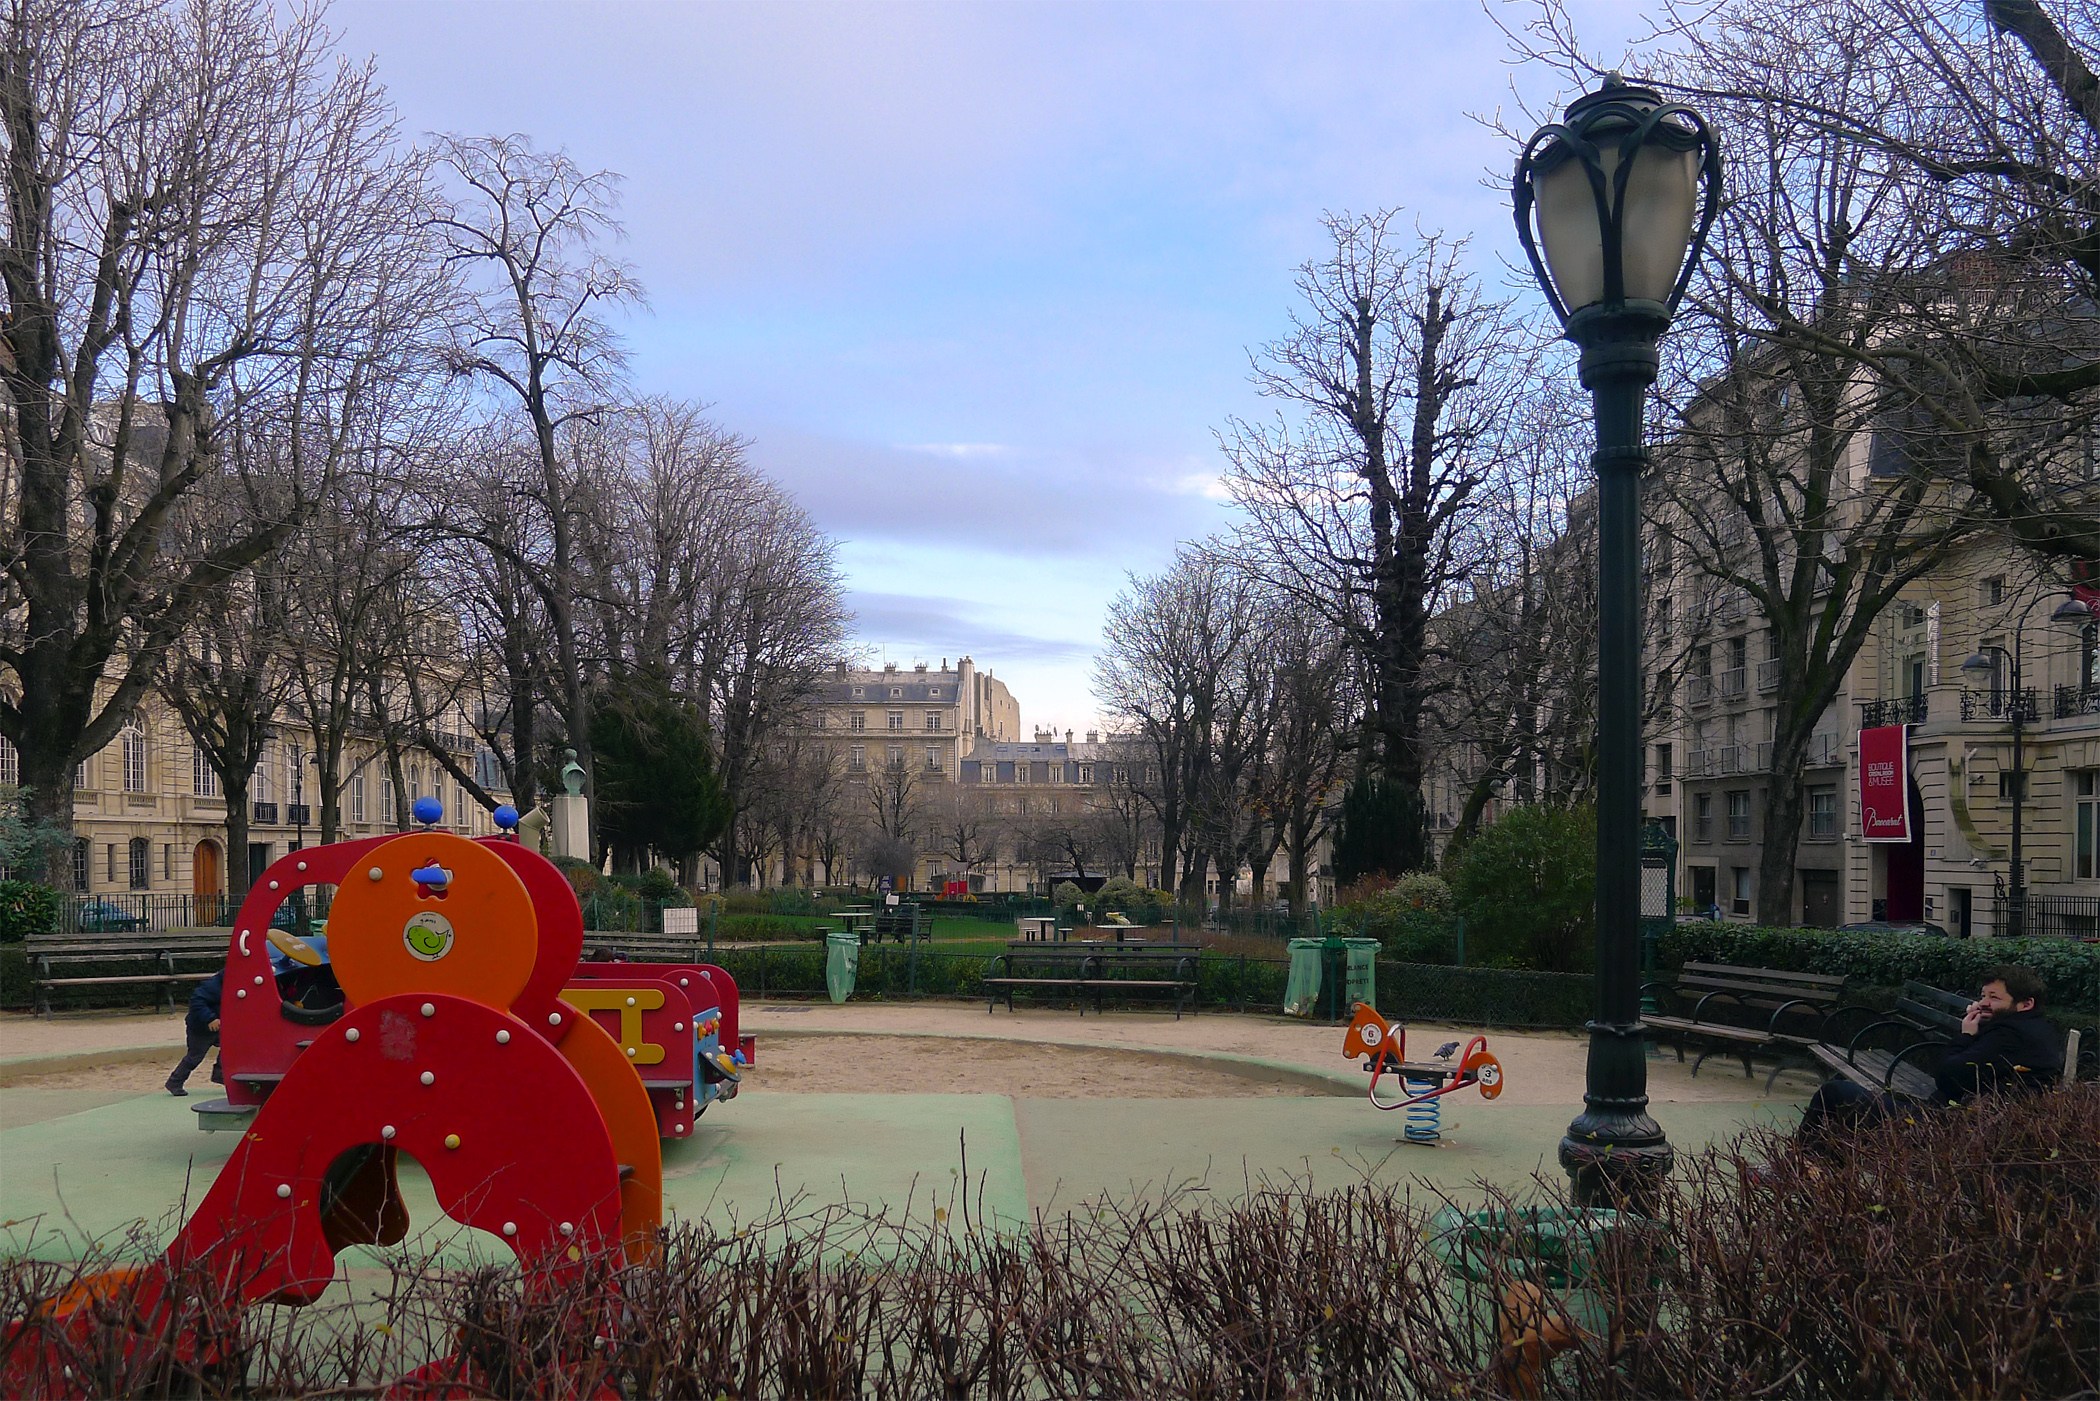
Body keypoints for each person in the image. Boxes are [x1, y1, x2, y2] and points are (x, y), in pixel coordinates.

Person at [1794, 965, 2064, 1148]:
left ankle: (1796, 1169)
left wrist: (1967, 1034)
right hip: (1965, 1119)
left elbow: (1947, 1077)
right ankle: (1816, 1174)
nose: (1983, 1003)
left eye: (1994, 997)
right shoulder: (2028, 1028)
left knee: (1834, 1093)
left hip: (1943, 1126)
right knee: (1848, 1106)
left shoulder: (2010, 1034)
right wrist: (1981, 1026)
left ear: (2025, 1004)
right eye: (1983, 995)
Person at [166, 967, 225, 1097]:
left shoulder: (233, 985)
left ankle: (220, 1074)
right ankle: (174, 1082)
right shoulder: (212, 985)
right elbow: (196, 1002)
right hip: (200, 1028)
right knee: (195, 1057)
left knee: (230, 1049)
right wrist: (210, 1018)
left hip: (221, 1026)